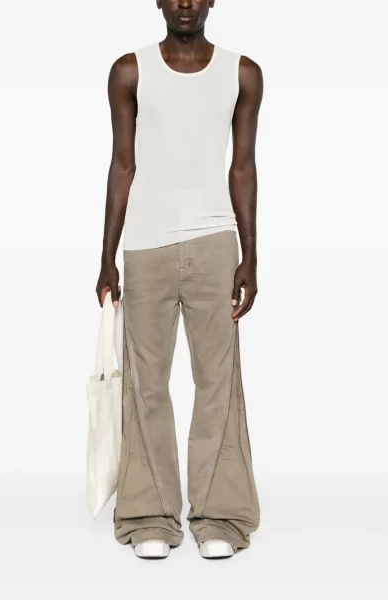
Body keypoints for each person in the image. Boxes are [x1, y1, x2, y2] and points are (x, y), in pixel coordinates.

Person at [96, 0, 263, 560]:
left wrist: (250, 256)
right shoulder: (130, 70)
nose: (185, 2)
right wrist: (107, 256)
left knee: (218, 381)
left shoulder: (242, 73)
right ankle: (150, 514)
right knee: (146, 383)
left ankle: (220, 517)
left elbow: (243, 166)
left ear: (213, 0)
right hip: (146, 244)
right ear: (158, 1)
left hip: (216, 243)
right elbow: (122, 164)